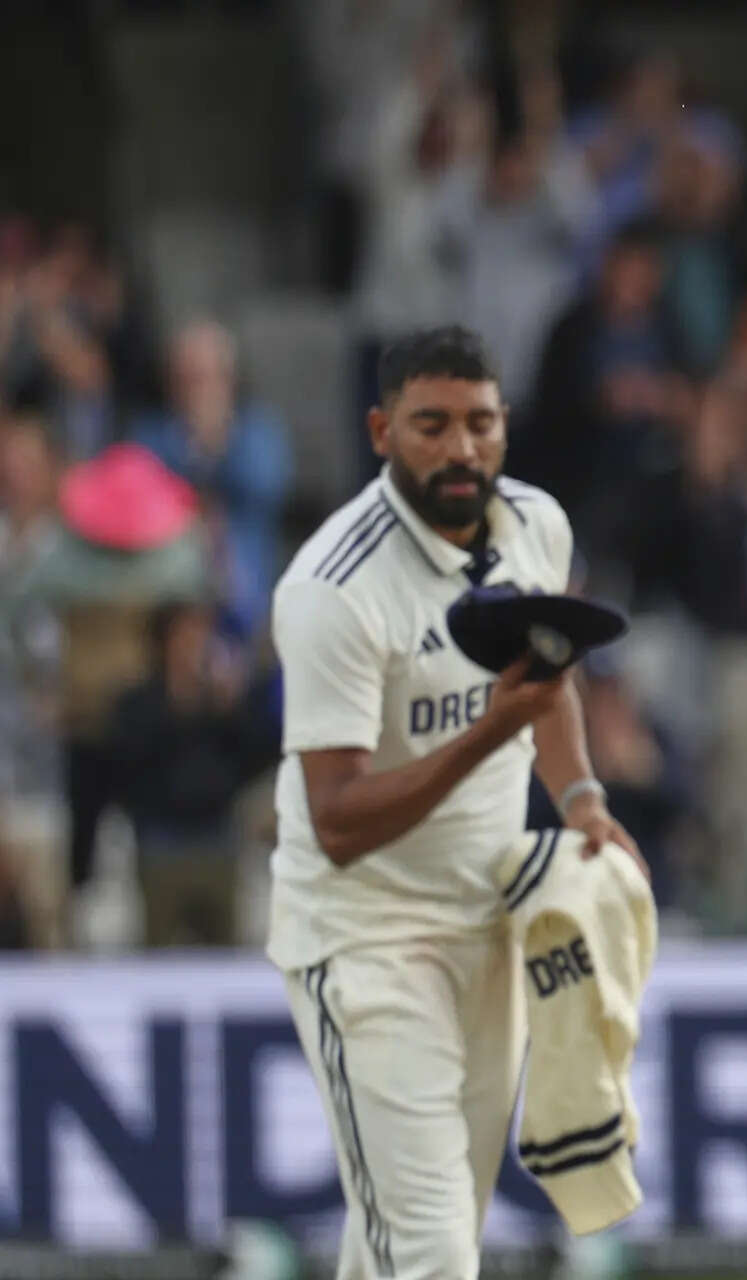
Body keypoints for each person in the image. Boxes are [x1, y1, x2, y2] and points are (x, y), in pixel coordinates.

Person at [266, 326, 644, 1279]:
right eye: (431, 425)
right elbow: (337, 821)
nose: (462, 448)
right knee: (431, 1252)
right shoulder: (333, 586)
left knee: (408, 1239)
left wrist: (583, 798)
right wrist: (485, 734)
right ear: (381, 430)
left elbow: (547, 675)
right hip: (365, 938)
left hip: (489, 918)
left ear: (505, 426)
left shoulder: (538, 525)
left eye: (481, 423)